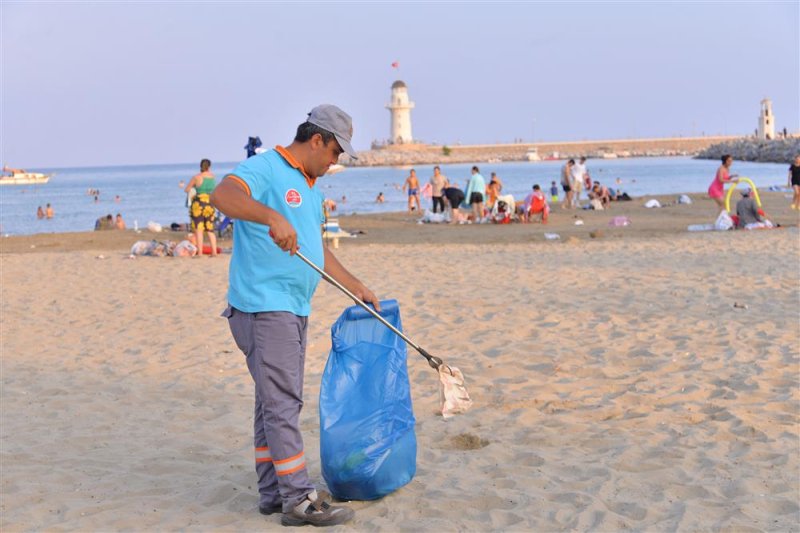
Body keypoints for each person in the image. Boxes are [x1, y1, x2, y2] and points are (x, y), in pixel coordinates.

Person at [209, 104, 378, 527]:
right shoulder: (265, 167)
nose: (336, 161)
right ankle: (299, 499)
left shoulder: (311, 186)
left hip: (293, 306)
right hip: (263, 307)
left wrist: (354, 285)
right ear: (317, 139)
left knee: (272, 401)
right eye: (336, 152)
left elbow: (316, 253)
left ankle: (272, 493)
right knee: (284, 401)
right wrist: (270, 215)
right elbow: (221, 196)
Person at [184, 159, 218, 257]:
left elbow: (187, 189)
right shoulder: (213, 177)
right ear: (209, 167)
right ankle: (214, 252)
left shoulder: (196, 177)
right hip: (210, 204)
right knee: (210, 229)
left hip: (198, 205)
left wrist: (194, 189)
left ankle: (200, 253)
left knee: (199, 230)